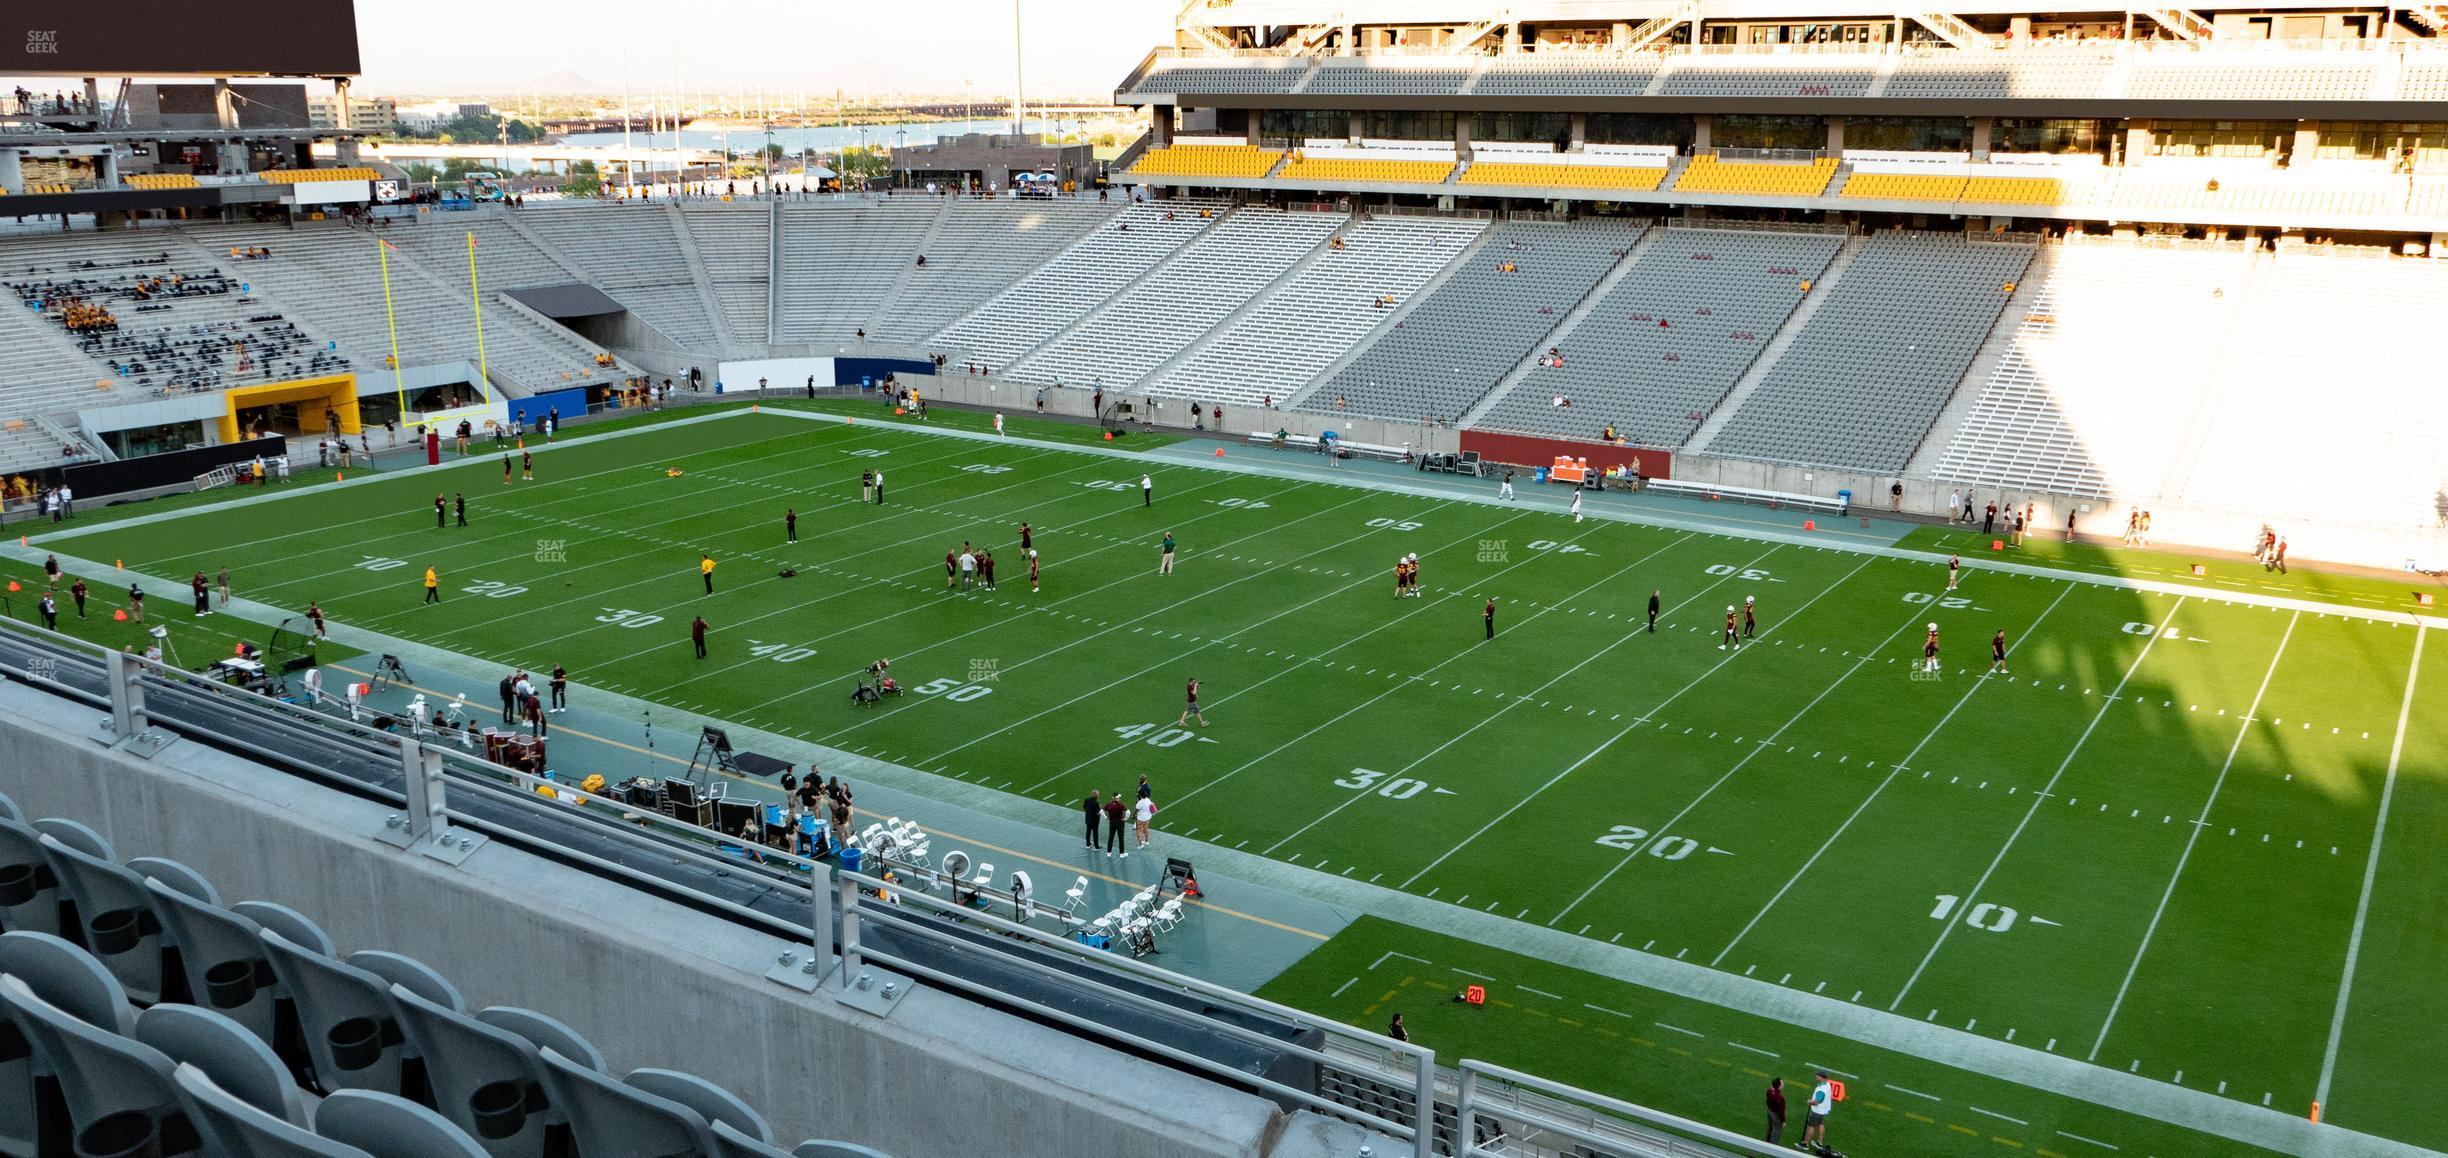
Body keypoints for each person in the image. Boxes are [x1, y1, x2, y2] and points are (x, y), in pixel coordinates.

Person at [1802, 1072, 1834, 1150]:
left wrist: (1810, 1102)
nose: (1816, 1077)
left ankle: (1805, 1144)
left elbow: (1817, 1102)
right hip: (1823, 1110)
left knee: (1811, 1127)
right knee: (1821, 1124)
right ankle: (1819, 1142)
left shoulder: (1821, 1089)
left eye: (1817, 1076)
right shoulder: (1827, 1084)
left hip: (1817, 1111)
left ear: (1822, 1078)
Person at [1103, 791, 1129, 858]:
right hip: (1120, 823)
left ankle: (1109, 852)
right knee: (1121, 838)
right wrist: (1125, 818)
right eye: (1119, 797)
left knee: (1111, 837)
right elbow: (1128, 812)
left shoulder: (1108, 804)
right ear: (1117, 798)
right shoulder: (1121, 805)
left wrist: (1105, 817)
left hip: (1112, 823)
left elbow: (1101, 811)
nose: (1119, 798)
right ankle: (1121, 853)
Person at [1764, 1077, 1787, 1144]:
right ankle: (1773, 1145)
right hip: (1776, 1115)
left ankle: (1767, 1140)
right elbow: (1781, 1111)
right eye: (1782, 1083)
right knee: (1776, 1130)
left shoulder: (1769, 1090)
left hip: (1769, 1111)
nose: (1783, 1084)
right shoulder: (1779, 1097)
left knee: (1770, 1126)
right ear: (1779, 1086)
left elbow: (1767, 1102)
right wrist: (1783, 1121)